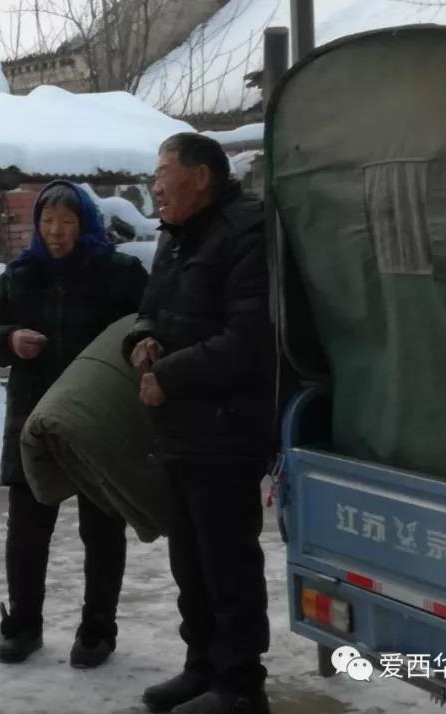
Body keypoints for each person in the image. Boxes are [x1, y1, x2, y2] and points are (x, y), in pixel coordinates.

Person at [123, 133, 275, 714]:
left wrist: (171, 375)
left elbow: (250, 340)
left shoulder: (245, 233)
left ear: (202, 177)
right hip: (179, 429)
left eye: (164, 171)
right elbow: (150, 310)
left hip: (228, 428)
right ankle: (202, 668)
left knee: (227, 563)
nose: (156, 185)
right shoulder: (175, 235)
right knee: (189, 562)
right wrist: (142, 341)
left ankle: (240, 685)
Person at [0, 181, 148, 669]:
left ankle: (97, 630)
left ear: (85, 223)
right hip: (33, 419)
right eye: (47, 221)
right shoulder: (20, 275)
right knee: (27, 530)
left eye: (67, 221)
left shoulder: (120, 273)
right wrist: (9, 339)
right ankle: (23, 624)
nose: (55, 231)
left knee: (102, 527)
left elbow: (146, 326)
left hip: (97, 417)